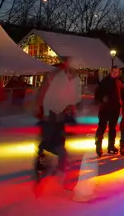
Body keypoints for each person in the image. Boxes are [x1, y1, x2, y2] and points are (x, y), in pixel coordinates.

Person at [34, 57, 82, 191]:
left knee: (59, 146)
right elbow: (44, 95)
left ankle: (61, 174)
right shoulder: (54, 76)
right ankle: (43, 169)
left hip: (58, 117)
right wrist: (42, 110)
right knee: (47, 144)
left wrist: (71, 110)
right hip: (49, 116)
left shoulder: (67, 78)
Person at [94, 66, 124, 156]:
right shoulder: (104, 82)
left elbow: (122, 95)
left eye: (117, 72)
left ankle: (111, 146)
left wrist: (121, 103)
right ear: (110, 72)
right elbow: (97, 94)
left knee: (112, 128)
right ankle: (98, 147)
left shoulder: (119, 82)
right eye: (113, 72)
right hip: (105, 109)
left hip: (115, 109)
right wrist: (102, 100)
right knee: (102, 127)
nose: (115, 74)